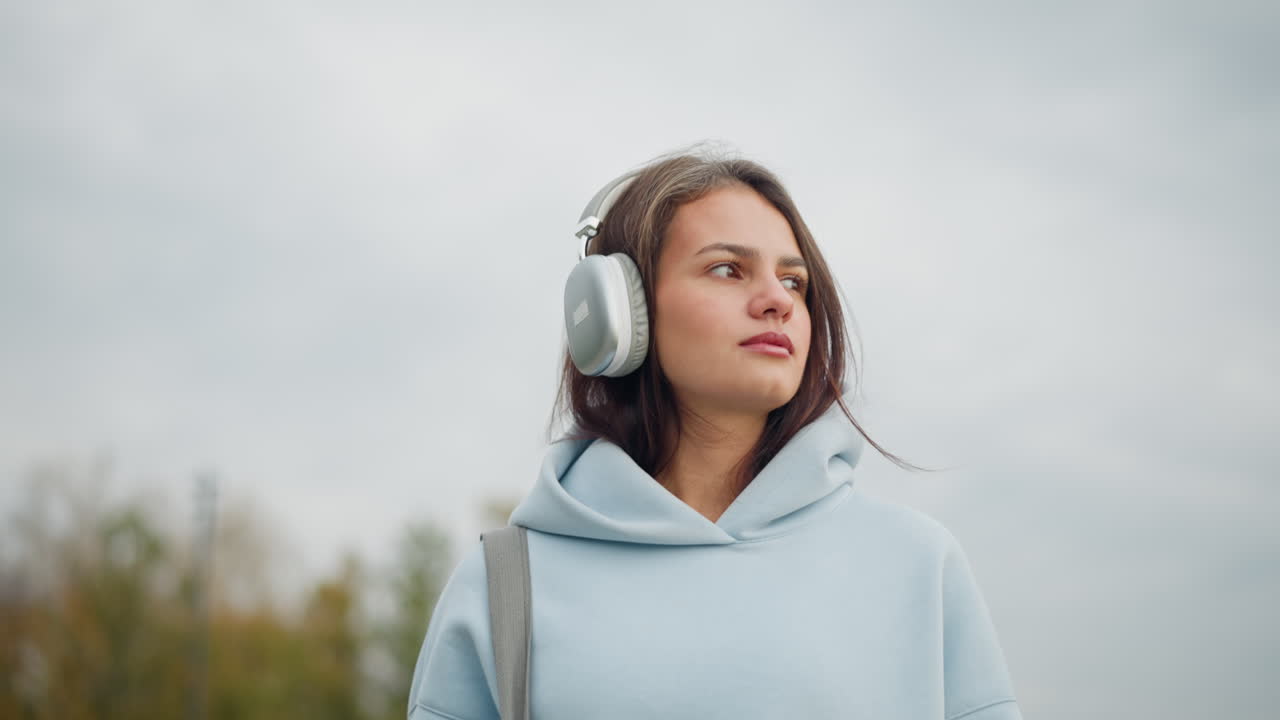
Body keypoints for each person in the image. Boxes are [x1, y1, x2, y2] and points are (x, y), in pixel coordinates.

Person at [406, 146, 1023, 719]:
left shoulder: (918, 564)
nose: (776, 301)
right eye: (728, 269)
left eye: (793, 281)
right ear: (620, 311)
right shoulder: (505, 585)